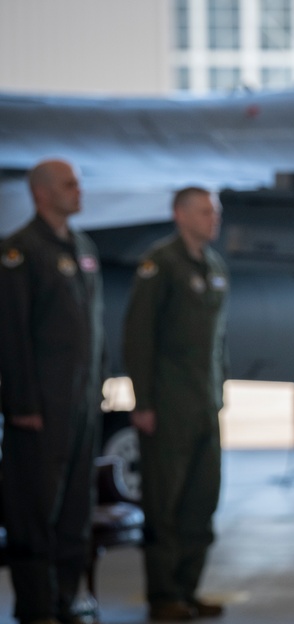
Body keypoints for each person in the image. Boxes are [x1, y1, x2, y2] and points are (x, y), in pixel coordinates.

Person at [0, 159, 105, 624]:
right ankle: (37, 608)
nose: (78, 191)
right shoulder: (20, 251)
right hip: (40, 407)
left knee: (75, 509)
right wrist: (21, 404)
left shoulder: (82, 246)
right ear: (41, 193)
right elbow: (11, 333)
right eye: (68, 185)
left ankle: (65, 600)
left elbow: (92, 331)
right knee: (34, 509)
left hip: (79, 405)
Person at [122, 187, 228, 622]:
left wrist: (218, 393)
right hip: (166, 407)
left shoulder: (214, 266)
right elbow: (138, 335)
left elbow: (217, 343)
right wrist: (142, 402)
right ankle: (164, 595)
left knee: (201, 502)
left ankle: (186, 590)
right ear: (180, 215)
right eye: (204, 212)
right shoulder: (160, 264)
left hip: (204, 405)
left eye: (215, 212)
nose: (213, 219)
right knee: (164, 506)